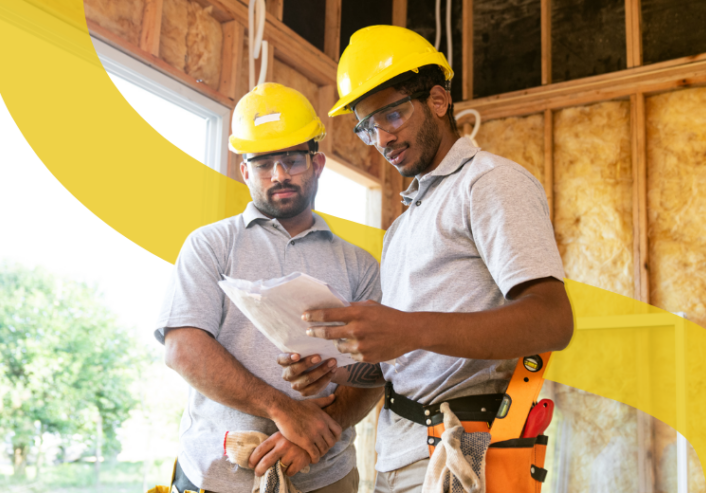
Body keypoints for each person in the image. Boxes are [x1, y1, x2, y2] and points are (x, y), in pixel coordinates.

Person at [278, 25, 574, 493]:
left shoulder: (489, 183)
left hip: (466, 448)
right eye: (367, 126)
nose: (381, 139)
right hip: (401, 449)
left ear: (438, 100)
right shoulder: (403, 225)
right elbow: (406, 357)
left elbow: (553, 319)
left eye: (391, 115)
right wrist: (339, 366)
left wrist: (407, 328)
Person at [155, 82, 384, 493]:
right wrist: (283, 410)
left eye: (293, 160)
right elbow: (183, 348)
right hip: (218, 476)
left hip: (325, 479)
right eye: (263, 164)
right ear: (245, 171)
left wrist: (314, 437)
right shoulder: (211, 245)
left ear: (317, 163)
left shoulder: (360, 265)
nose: (279, 175)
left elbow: (377, 372)